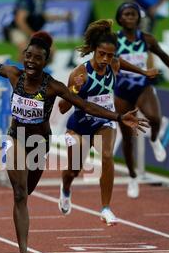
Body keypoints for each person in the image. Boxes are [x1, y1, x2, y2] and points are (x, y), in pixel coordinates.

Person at [0, 22, 149, 253]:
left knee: (27, 192)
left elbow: (86, 106)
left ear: (45, 61)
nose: (31, 61)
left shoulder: (53, 86)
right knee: (18, 194)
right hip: (16, 138)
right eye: (28, 56)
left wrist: (118, 117)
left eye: (37, 58)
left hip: (39, 144)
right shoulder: (14, 75)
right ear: (23, 57)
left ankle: (35, 210)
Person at [58, 19, 158, 225]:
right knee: (73, 170)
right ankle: (66, 189)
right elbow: (62, 108)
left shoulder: (114, 63)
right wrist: (74, 90)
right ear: (94, 50)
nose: (105, 59)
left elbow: (124, 64)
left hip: (105, 121)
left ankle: (105, 208)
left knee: (106, 156)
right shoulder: (79, 74)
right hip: (80, 123)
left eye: (110, 55)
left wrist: (144, 72)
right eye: (101, 54)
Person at [114, 2, 169, 199]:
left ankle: (154, 139)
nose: (131, 17)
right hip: (122, 91)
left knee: (155, 118)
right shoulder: (113, 41)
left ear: (139, 18)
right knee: (127, 137)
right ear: (120, 19)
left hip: (143, 87)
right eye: (126, 14)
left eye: (134, 14)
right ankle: (133, 177)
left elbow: (164, 56)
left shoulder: (147, 39)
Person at [4, 0, 71, 63]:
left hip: (33, 30)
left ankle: (42, 71)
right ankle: (19, 70)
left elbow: (42, 15)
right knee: (25, 49)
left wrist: (62, 17)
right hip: (18, 29)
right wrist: (33, 34)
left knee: (50, 51)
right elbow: (20, 21)